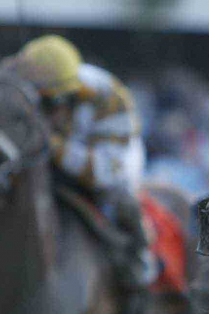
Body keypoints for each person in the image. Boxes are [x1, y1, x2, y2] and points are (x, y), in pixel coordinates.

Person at [13, 35, 154, 289]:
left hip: (113, 157)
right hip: (62, 148)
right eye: (35, 100)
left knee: (121, 198)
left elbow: (104, 172)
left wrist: (52, 145)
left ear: (68, 93)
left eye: (48, 103)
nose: (41, 110)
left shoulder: (109, 96)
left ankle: (140, 254)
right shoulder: (29, 91)